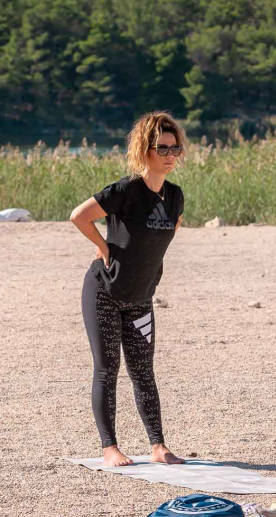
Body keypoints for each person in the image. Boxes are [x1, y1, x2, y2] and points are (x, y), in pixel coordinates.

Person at [69, 111, 187, 468]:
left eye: (175, 148)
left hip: (140, 299)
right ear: (144, 149)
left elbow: (164, 239)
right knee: (108, 368)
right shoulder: (125, 191)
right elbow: (79, 216)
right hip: (104, 291)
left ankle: (158, 446)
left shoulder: (175, 197)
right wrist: (104, 246)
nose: (170, 155)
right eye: (162, 148)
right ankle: (109, 447)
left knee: (143, 371)